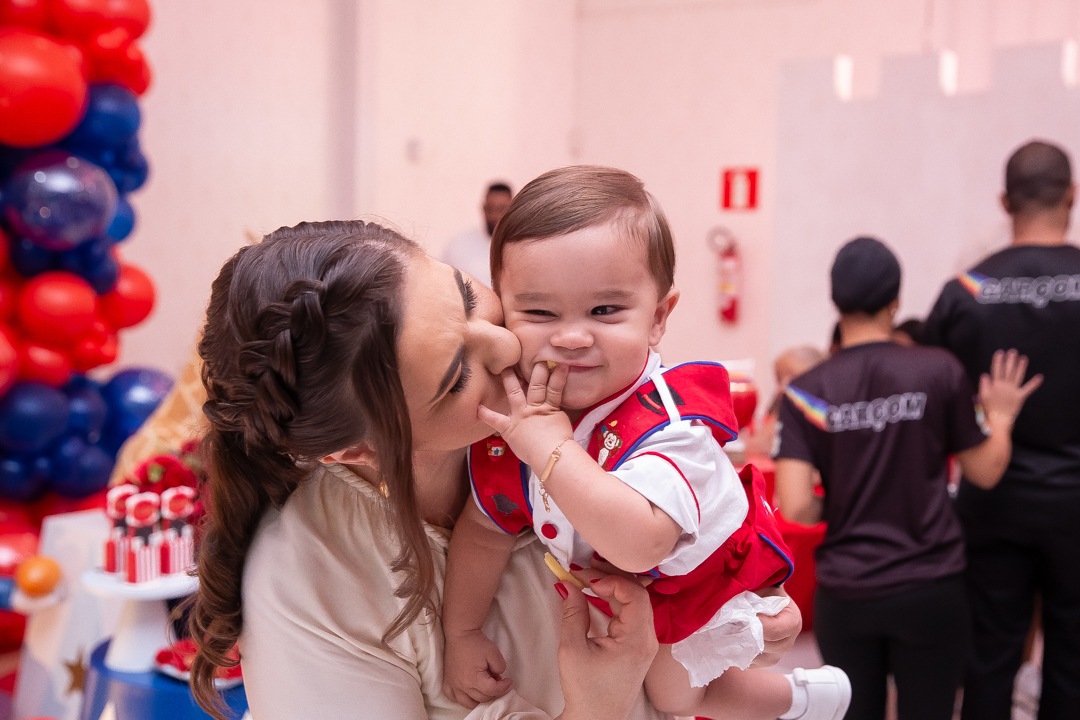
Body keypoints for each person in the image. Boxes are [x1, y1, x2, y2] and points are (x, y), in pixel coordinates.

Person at [187, 220, 803, 720]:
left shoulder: (578, 411)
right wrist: (595, 710)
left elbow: (699, 525)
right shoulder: (311, 575)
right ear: (355, 450)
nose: (507, 345)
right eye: (457, 377)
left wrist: (744, 610)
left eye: (467, 294)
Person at [442, 166, 849, 720]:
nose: (571, 337)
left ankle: (802, 699)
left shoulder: (669, 422)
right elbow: (485, 527)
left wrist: (549, 449)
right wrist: (463, 632)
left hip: (696, 577)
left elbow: (641, 543)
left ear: (658, 318)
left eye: (605, 311)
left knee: (677, 698)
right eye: (538, 312)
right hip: (630, 586)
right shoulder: (518, 413)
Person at [774, 236, 1041, 720]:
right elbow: (985, 472)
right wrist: (1001, 417)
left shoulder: (805, 392)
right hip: (931, 590)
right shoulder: (939, 371)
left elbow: (795, 508)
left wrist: (845, 497)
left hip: (846, 593)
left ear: (835, 301)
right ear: (895, 302)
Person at [924, 139, 1080, 720]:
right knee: (1073, 656)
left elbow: (932, 397)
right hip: (1077, 505)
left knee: (989, 655)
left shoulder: (963, 294)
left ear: (1005, 202)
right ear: (1072, 196)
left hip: (992, 500)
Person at [442, 182, 513, 287]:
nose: (494, 216)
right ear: (483, 209)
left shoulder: (522, 247)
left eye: (500, 210)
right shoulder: (459, 244)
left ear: (512, 211)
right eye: (490, 209)